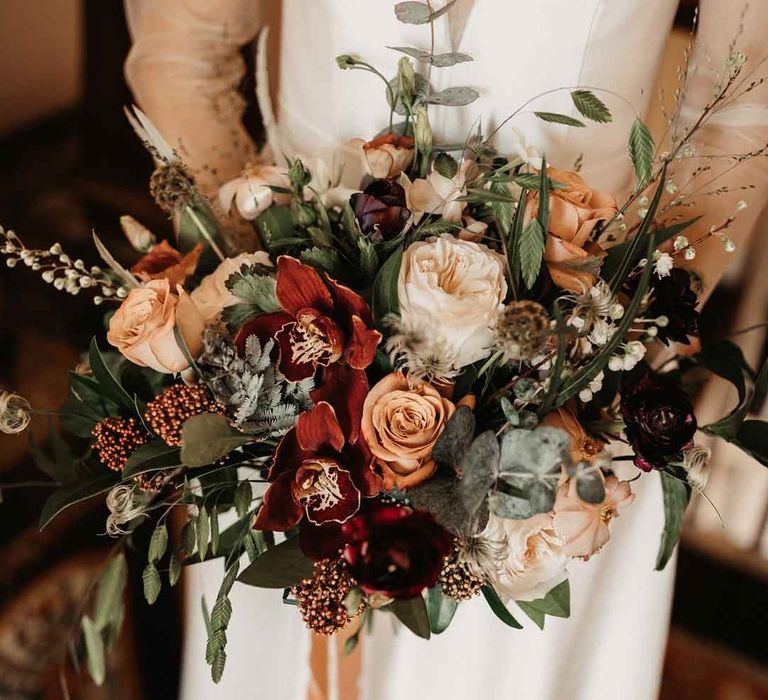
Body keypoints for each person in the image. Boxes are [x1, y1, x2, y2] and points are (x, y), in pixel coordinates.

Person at [123, 2, 768, 698]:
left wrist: (618, 327)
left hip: (564, 419)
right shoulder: (273, 350)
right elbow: (183, 43)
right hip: (288, 379)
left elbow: (743, 100)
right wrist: (251, 268)